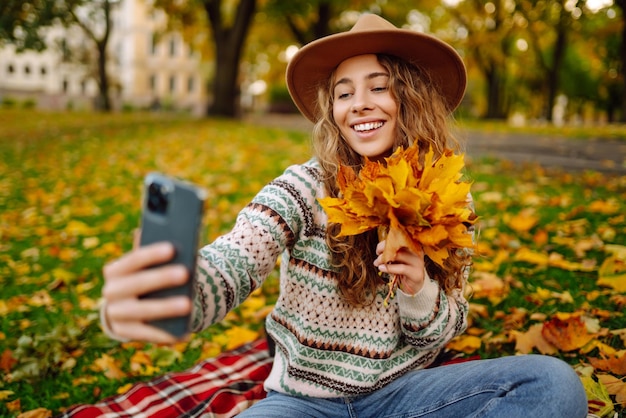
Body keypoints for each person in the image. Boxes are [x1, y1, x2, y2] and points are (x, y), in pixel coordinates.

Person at [101, 13, 588, 418]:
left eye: (379, 87)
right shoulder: (305, 186)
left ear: (409, 97)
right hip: (302, 403)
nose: (360, 105)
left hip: (405, 397)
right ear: (331, 109)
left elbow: (451, 323)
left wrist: (419, 290)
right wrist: (175, 292)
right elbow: (238, 258)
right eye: (344, 92)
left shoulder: (447, 196)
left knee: (552, 385)